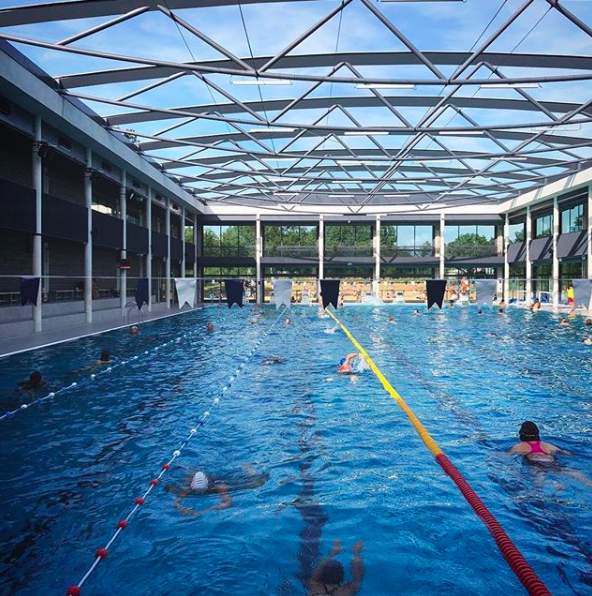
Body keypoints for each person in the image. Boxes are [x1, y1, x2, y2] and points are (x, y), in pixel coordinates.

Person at [509, 421, 592, 489]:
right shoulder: (548, 445)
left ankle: (553, 483)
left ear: (521, 434)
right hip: (553, 462)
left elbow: (505, 457)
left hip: (536, 464)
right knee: (571, 472)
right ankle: (588, 483)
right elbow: (567, 453)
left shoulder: (519, 447)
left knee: (538, 483)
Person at [166, 466, 269, 517]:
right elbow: (176, 502)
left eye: (203, 490)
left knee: (255, 482)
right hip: (191, 480)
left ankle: (248, 468)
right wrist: (182, 508)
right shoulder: (187, 489)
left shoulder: (218, 487)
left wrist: (206, 511)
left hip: (215, 479)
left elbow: (228, 502)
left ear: (207, 487)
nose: (200, 493)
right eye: (197, 491)